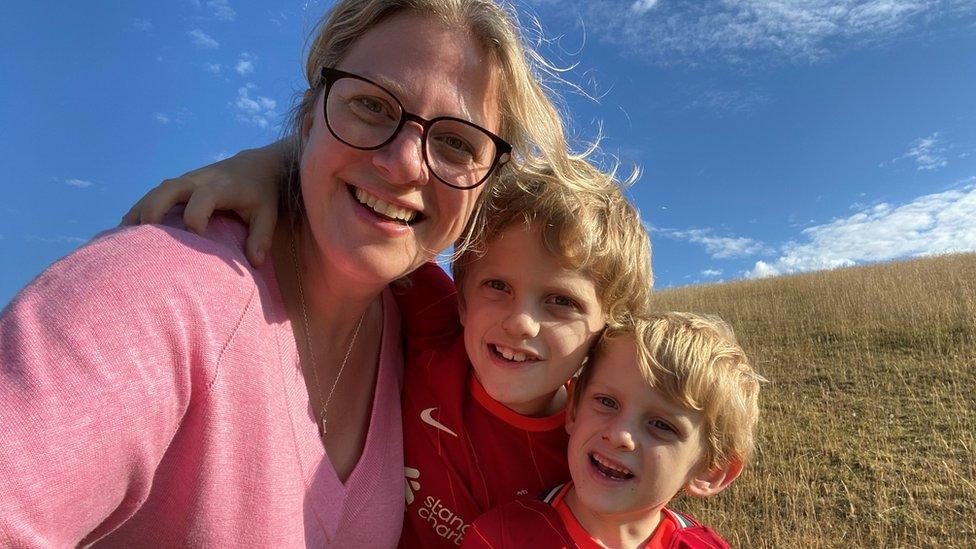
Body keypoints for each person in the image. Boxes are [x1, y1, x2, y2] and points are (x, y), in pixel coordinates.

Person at [0, 1, 592, 546]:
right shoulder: (156, 290)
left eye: (458, 144)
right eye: (372, 105)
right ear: (309, 117)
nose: (407, 162)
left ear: (483, 187)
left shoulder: (434, 324)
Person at [393, 159, 652, 547]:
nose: (520, 322)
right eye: (497, 285)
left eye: (561, 300)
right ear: (462, 301)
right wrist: (271, 169)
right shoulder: (438, 324)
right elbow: (360, 221)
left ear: (606, 333)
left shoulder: (592, 449)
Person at [462, 313, 765, 549]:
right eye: (606, 402)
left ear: (711, 472)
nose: (620, 435)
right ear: (574, 408)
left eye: (661, 425)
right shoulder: (501, 537)